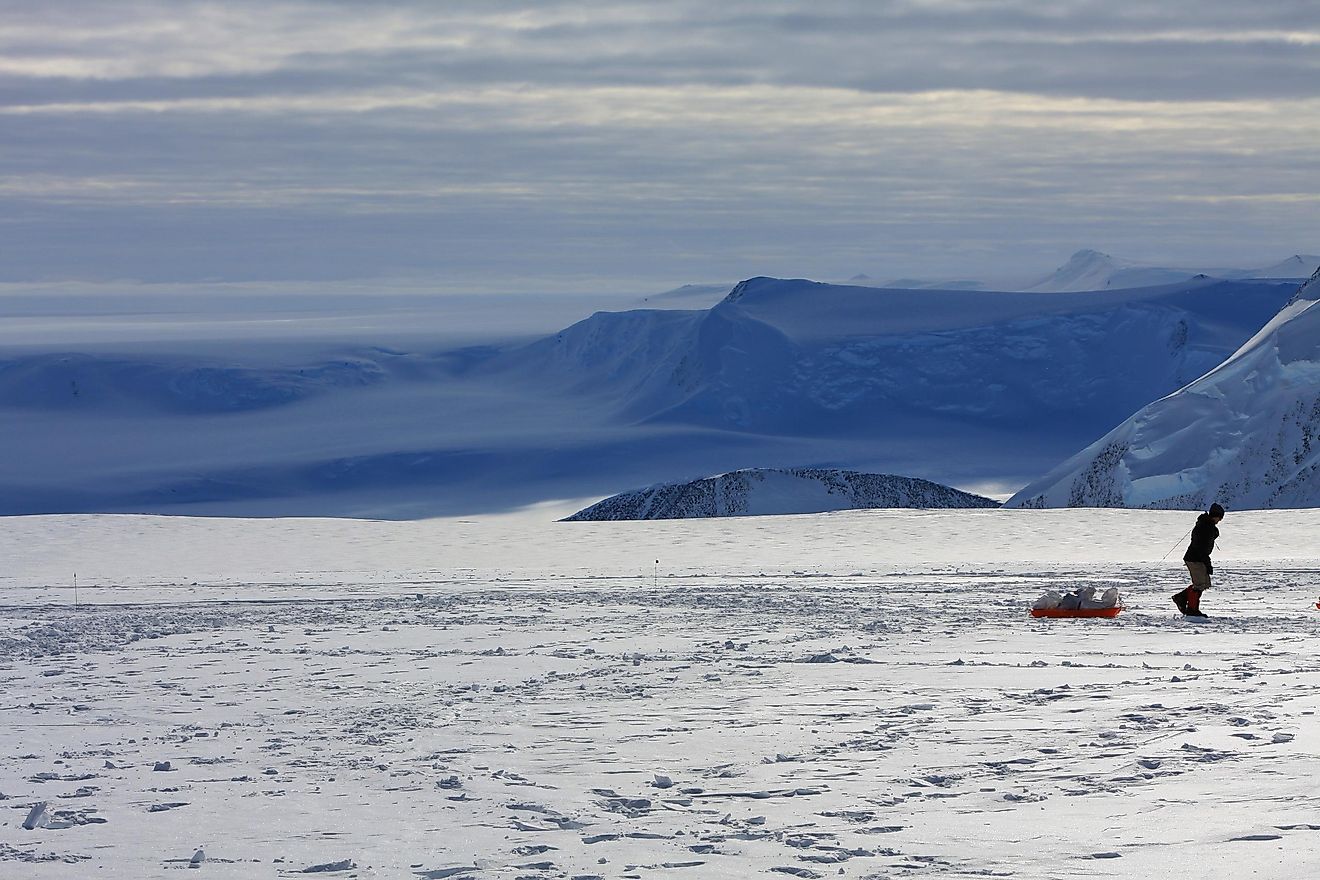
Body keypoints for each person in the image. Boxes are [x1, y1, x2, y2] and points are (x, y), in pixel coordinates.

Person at [1173, 503, 1224, 617]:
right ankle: (1192, 609)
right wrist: (1207, 563)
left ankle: (1182, 598)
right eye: (1219, 518)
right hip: (1195, 559)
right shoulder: (1205, 527)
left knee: (1204, 583)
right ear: (1215, 516)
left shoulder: (1206, 525)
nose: (1219, 520)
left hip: (1196, 558)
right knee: (1200, 584)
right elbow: (1201, 548)